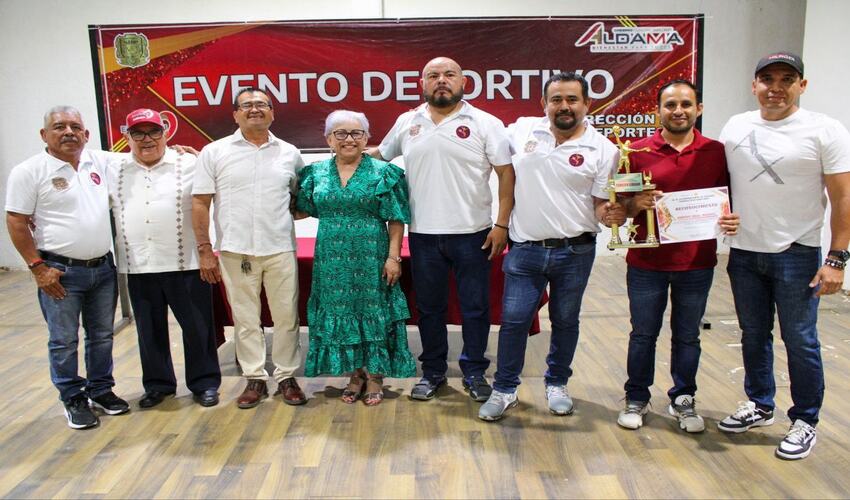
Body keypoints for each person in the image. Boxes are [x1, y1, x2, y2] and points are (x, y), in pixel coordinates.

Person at [718, 52, 850, 460]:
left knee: (801, 340)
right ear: (753, 84)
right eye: (767, 78)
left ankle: (805, 419)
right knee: (753, 335)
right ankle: (760, 404)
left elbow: (842, 198)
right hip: (744, 254)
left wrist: (838, 259)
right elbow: (719, 188)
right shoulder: (736, 126)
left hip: (797, 253)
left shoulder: (824, 130)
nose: (776, 87)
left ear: (802, 85)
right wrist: (719, 220)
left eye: (787, 79)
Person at [478, 72, 626, 421]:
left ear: (587, 104)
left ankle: (557, 383)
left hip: (575, 252)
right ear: (544, 104)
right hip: (526, 249)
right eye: (556, 99)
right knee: (513, 321)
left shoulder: (605, 149)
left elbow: (600, 204)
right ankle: (504, 389)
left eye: (572, 99)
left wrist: (613, 214)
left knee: (565, 320)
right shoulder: (522, 130)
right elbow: (483, 144)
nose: (564, 106)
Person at [372, 57, 515, 402]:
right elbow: (379, 156)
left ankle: (475, 371)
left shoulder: (485, 122)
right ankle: (433, 372)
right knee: (430, 309)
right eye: (433, 75)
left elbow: (506, 174)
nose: (441, 80)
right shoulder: (408, 121)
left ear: (464, 82)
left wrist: (502, 224)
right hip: (422, 234)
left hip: (474, 234)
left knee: (475, 308)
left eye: (449, 75)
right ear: (422, 83)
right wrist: (340, 157)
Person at [614, 80, 740, 432]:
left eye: (686, 104)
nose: (678, 111)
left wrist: (731, 218)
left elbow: (730, 200)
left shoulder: (717, 152)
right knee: (643, 334)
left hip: (697, 263)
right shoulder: (634, 152)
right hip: (646, 264)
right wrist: (633, 204)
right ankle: (636, 396)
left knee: (688, 336)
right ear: (658, 111)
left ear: (698, 108)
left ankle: (683, 398)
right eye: (670, 105)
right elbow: (620, 210)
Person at [5, 106, 130, 429]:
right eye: (59, 126)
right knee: (63, 340)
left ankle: (101, 390)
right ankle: (72, 398)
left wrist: (182, 151)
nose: (68, 132)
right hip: (59, 272)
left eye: (75, 126)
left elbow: (145, 154)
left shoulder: (100, 161)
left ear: (87, 134)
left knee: (101, 336)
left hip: (102, 269)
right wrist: (37, 268)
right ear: (44, 135)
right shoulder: (29, 171)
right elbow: (16, 221)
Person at [192, 88, 307, 408]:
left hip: (280, 247)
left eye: (262, 105)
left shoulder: (290, 153)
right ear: (235, 114)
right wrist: (204, 249)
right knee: (246, 320)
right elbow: (200, 203)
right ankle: (254, 377)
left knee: (286, 318)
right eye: (247, 106)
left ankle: (286, 376)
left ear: (272, 112)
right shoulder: (214, 152)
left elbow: (300, 201)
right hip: (234, 250)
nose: (255, 110)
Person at [295, 110, 416, 405]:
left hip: (371, 257)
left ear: (366, 138)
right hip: (332, 261)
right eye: (341, 134)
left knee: (373, 313)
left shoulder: (384, 173)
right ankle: (356, 374)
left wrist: (393, 258)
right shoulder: (315, 174)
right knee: (341, 313)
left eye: (356, 133)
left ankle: (375, 376)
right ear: (328, 140)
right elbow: (300, 209)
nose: (349, 139)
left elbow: (396, 219)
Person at [107, 108, 221, 409]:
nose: (147, 140)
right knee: (148, 330)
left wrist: (209, 249)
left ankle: (205, 383)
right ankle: (158, 386)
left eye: (153, 132)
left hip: (187, 263)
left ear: (166, 133)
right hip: (138, 265)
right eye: (138, 133)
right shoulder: (112, 166)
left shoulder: (191, 162)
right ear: (126, 136)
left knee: (198, 328)